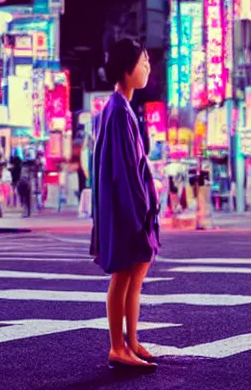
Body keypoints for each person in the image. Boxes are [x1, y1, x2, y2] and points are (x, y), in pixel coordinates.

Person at [90, 39, 160, 373]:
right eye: (143, 62)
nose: (147, 67)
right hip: (127, 210)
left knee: (133, 276)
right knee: (122, 276)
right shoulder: (118, 111)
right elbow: (124, 170)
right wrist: (142, 207)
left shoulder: (120, 108)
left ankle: (131, 341)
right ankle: (118, 346)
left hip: (129, 207)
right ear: (127, 69)